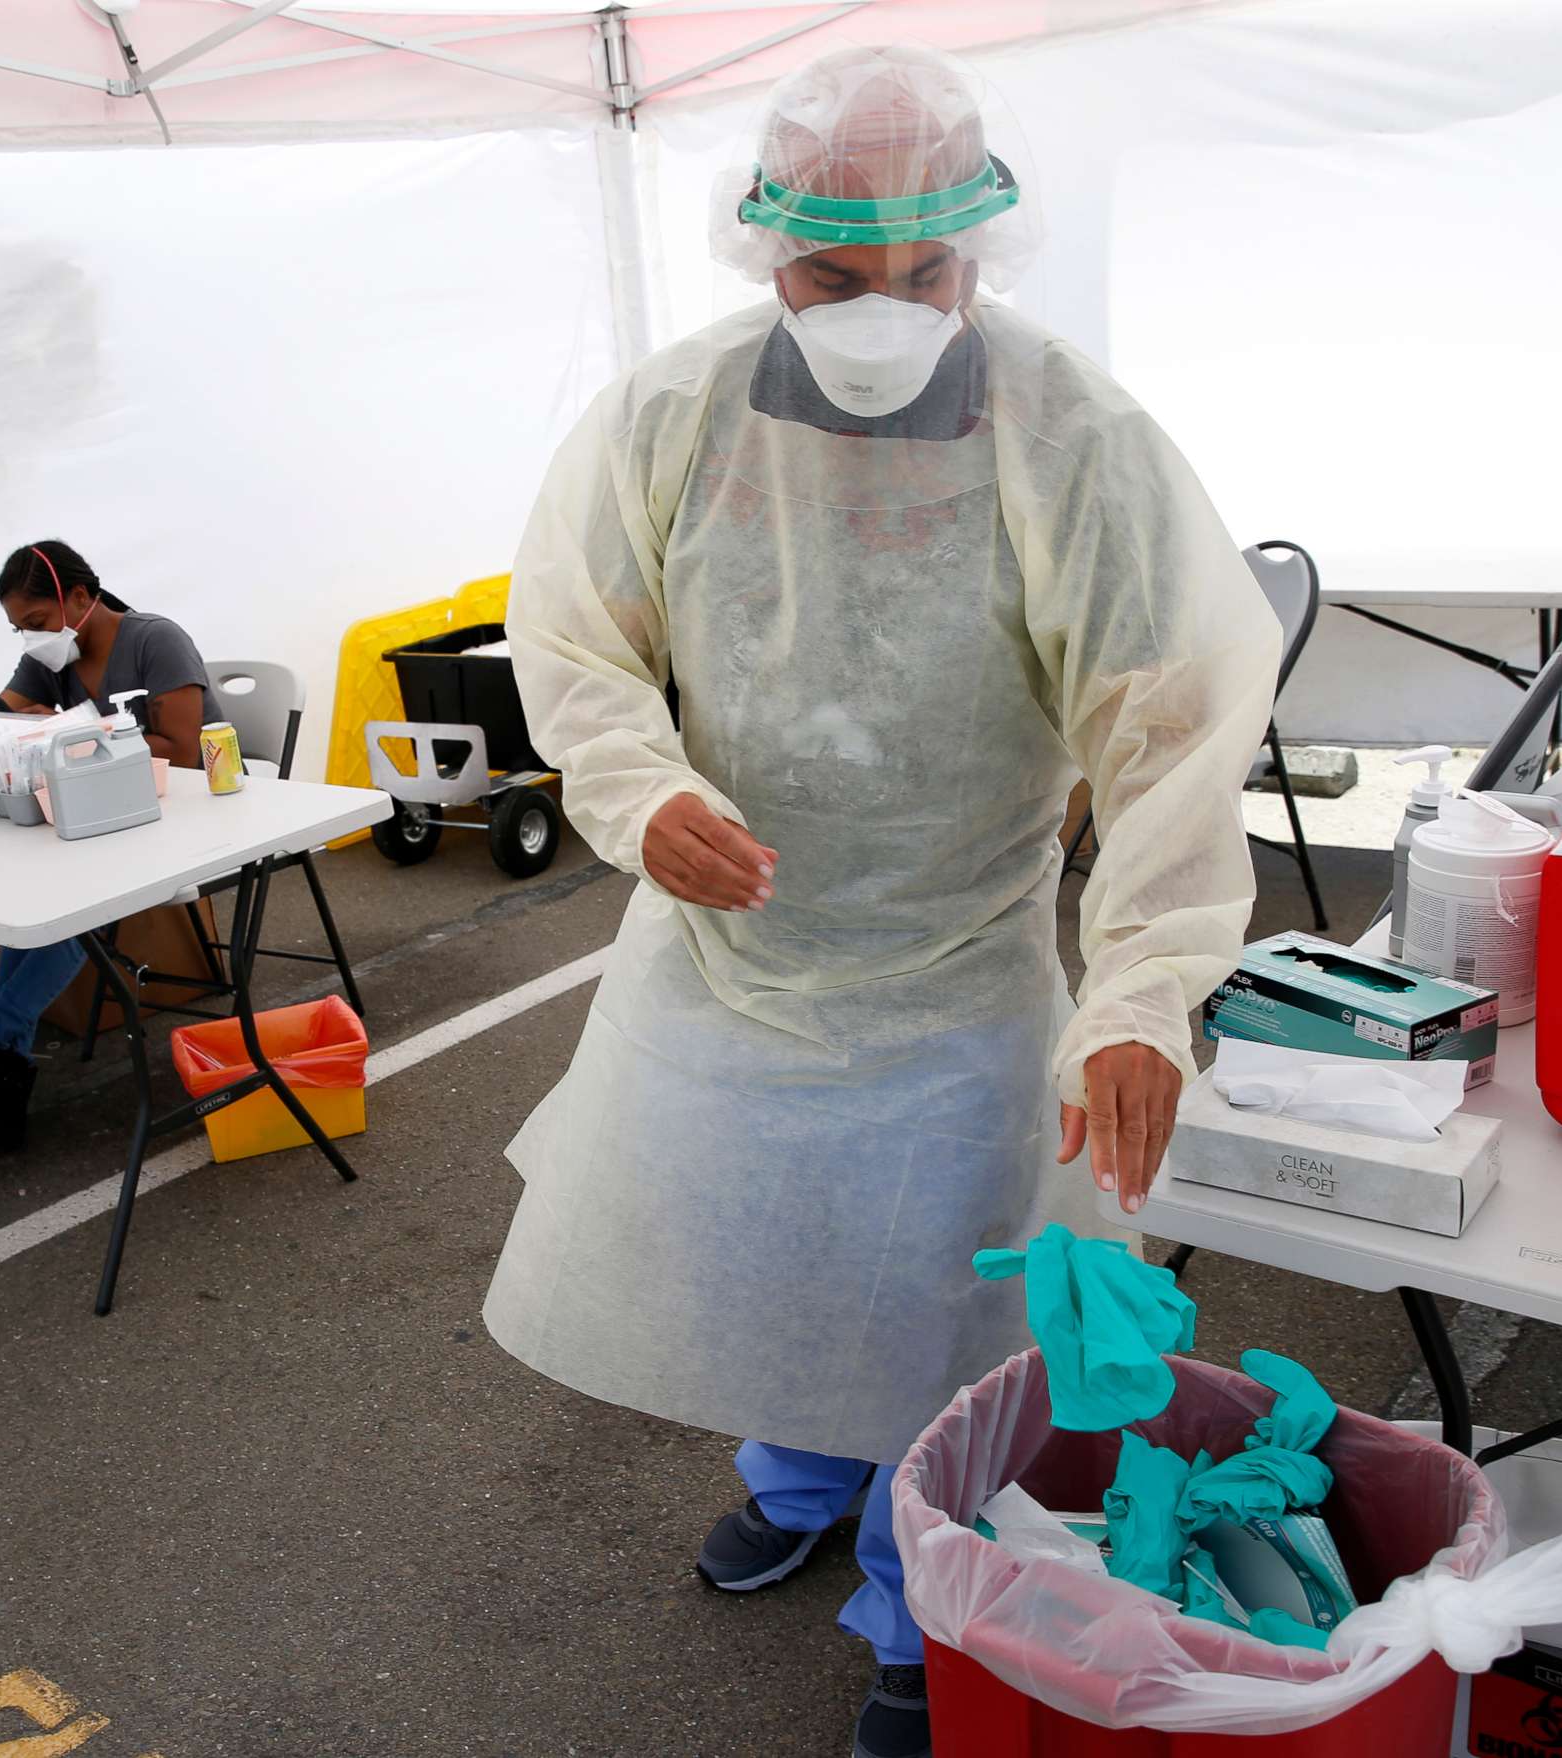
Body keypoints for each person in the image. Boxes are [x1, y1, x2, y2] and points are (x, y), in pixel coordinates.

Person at [479, 46, 1279, 1758]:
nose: (881, 309)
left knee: (942, 1308)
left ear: (983, 252)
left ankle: (916, 1607)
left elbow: (1172, 723)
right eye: (833, 275)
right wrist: (641, 791)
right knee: (759, 1262)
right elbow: (572, 638)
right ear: (762, 250)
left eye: (925, 274)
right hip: (725, 958)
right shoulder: (670, 415)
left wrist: (1140, 987)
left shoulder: (1073, 435)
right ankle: (794, 1476)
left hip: (956, 965)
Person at [0, 541, 224, 1150]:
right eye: (18, 629)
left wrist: (79, 733)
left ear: (81, 597)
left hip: (189, 805)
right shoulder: (57, 655)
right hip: (111, 805)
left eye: (36, 622)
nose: (31, 638)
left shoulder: (156, 639)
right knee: (31, 896)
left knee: (75, 906)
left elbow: (183, 750)